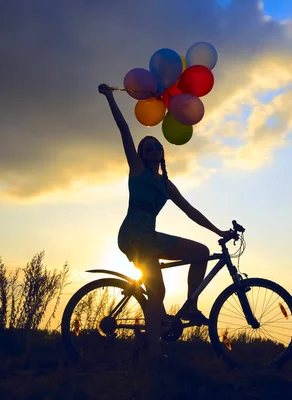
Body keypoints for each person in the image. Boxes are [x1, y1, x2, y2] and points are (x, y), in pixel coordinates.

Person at [98, 83, 231, 359]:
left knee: (201, 252)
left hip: (150, 238)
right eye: (146, 147)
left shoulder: (166, 185)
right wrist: (111, 98)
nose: (152, 149)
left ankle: (190, 307)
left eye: (156, 146)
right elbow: (124, 131)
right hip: (135, 235)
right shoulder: (137, 170)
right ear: (141, 154)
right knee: (157, 290)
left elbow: (190, 211)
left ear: (162, 153)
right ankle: (154, 352)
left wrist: (218, 230)